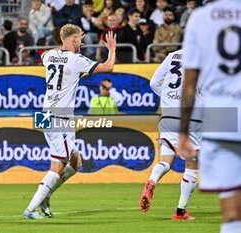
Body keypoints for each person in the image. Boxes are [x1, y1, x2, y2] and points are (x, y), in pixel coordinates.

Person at [23, 24, 117, 219]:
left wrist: (66, 44)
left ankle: (46, 196)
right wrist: (112, 49)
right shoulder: (76, 60)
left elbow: (48, 53)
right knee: (58, 165)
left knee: (75, 162)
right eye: (80, 38)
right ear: (73, 39)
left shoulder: (49, 56)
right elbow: (109, 67)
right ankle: (31, 209)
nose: (82, 41)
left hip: (46, 114)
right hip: (59, 116)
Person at [177, 0, 241, 232]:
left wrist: (183, 132)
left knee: (232, 211)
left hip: (221, 116)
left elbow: (190, 83)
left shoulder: (200, 18)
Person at [139, 49, 202, 220]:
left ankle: (152, 180)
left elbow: (153, 83)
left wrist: (169, 99)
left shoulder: (172, 55)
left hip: (167, 115)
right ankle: (180, 212)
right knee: (192, 164)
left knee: (166, 160)